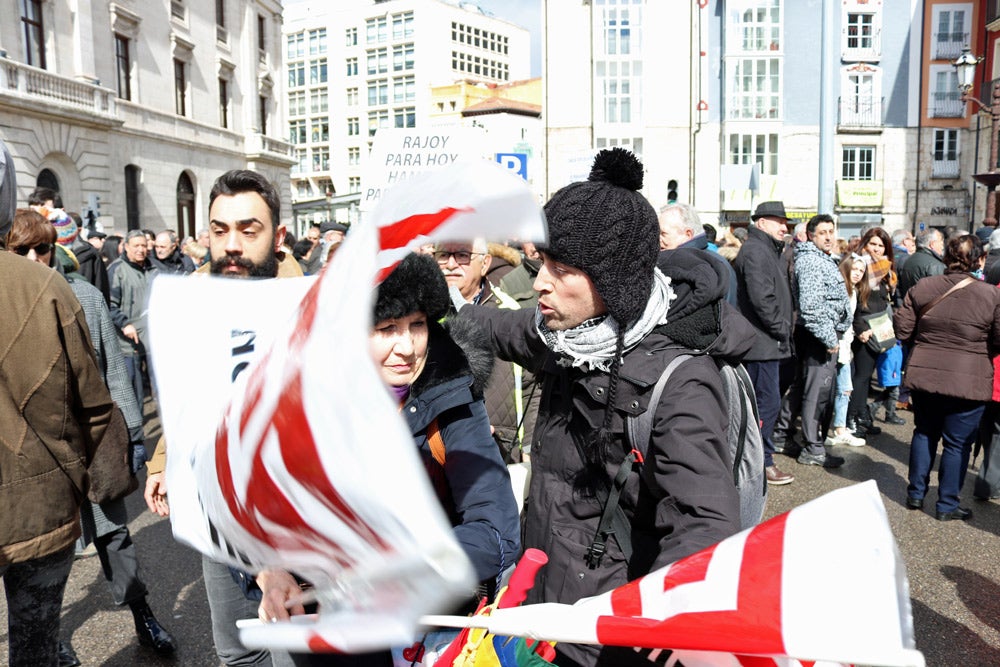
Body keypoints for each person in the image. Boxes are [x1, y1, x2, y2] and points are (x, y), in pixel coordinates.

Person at [460, 148, 744, 666]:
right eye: (542, 262)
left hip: (605, 631)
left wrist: (647, 626)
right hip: (540, 602)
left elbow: (705, 525)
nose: (541, 281)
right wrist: (429, 315)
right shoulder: (565, 333)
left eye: (562, 268)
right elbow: (500, 329)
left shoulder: (680, 383)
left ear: (614, 283)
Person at [256, 254, 521, 666]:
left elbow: (496, 528)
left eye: (416, 325)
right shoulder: (300, 403)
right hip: (326, 630)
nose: (407, 347)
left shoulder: (452, 395)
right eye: (386, 329)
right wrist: (273, 572)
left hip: (423, 631)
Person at [144, 169, 302, 667]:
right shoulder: (193, 295)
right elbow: (186, 394)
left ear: (278, 237)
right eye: (219, 229)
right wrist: (161, 463)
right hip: (217, 514)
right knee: (235, 652)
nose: (231, 244)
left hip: (291, 523)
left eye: (248, 230)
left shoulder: (313, 302)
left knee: (291, 654)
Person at [7, 209, 175, 659]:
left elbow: (112, 374)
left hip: (91, 446)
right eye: (21, 249)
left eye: (42, 248)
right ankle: (47, 640)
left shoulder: (85, 295)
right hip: (35, 460)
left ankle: (144, 616)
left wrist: (133, 438)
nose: (33, 258)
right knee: (35, 561)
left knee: (115, 538)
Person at [1, 224, 115, 667]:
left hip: (41, 502)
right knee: (35, 649)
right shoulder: (44, 284)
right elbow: (94, 406)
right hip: (42, 504)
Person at [895, 234, 1000, 521]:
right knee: (957, 443)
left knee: (924, 432)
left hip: (925, 373)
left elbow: (902, 330)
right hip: (969, 379)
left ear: (946, 257)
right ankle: (947, 504)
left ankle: (915, 494)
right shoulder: (991, 295)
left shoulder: (924, 286)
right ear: (979, 260)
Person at [436, 238, 539, 461]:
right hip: (436, 450)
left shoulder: (508, 310)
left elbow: (532, 386)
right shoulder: (421, 316)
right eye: (443, 255)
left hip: (502, 450)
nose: (451, 264)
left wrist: (529, 447)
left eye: (462, 255)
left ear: (485, 263)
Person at [772, 214, 850, 469]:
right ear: (811, 236)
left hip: (815, 335)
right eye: (823, 232)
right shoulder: (812, 262)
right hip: (819, 337)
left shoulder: (817, 259)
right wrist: (830, 339)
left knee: (801, 389)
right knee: (816, 394)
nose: (829, 237)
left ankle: (782, 435)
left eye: (831, 231)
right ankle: (813, 448)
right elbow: (812, 307)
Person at [734, 200, 794, 485]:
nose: (784, 227)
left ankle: (760, 459)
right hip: (761, 345)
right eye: (778, 221)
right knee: (764, 405)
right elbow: (763, 300)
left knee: (766, 404)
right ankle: (761, 463)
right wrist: (782, 329)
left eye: (785, 222)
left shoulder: (766, 249)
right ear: (760, 223)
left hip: (768, 343)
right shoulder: (757, 250)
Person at [846, 227, 896, 437]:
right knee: (861, 375)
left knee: (866, 376)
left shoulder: (886, 270)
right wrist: (860, 328)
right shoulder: (858, 265)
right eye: (872, 244)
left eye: (880, 245)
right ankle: (853, 418)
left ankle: (862, 415)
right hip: (863, 328)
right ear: (865, 244)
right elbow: (852, 300)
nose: (876, 249)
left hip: (879, 329)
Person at [107, 230, 159, 406]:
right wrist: (125, 324)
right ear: (126, 247)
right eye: (136, 245)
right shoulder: (117, 270)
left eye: (144, 245)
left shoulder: (154, 269)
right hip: (128, 343)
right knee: (134, 395)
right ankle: (136, 431)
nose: (141, 250)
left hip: (153, 340)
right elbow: (109, 304)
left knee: (159, 390)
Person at [658, 203, 737, 304]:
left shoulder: (706, 265)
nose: (658, 239)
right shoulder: (712, 260)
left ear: (688, 234)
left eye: (663, 234)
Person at [826, 254, 867, 448]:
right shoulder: (840, 288)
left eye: (861, 271)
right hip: (835, 344)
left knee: (845, 389)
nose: (858, 274)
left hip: (845, 345)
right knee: (839, 389)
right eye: (855, 269)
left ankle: (839, 428)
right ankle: (837, 429)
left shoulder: (854, 292)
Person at [898, 229, 945, 299]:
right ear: (932, 244)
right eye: (941, 243)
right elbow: (940, 294)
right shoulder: (935, 265)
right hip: (928, 307)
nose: (942, 247)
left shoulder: (909, 259)